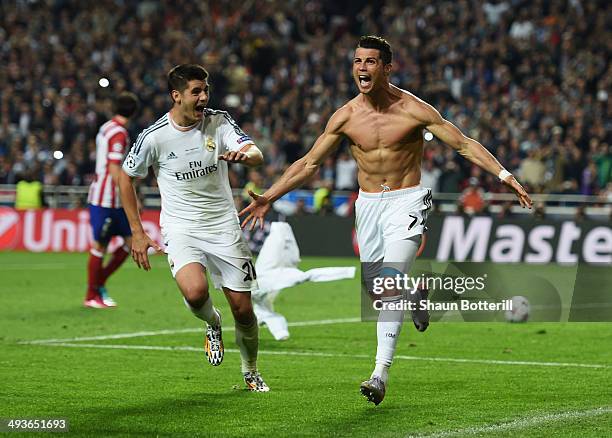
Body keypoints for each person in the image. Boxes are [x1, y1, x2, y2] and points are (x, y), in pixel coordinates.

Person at [240, 36, 533, 405]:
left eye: (371, 62)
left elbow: (463, 144)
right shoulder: (345, 116)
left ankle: (379, 374)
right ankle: (416, 293)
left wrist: (505, 176)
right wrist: (270, 195)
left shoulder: (413, 109)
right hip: (368, 207)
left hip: (406, 202)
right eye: (358, 61)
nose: (362, 68)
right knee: (375, 290)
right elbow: (310, 164)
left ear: (387, 67)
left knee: (389, 283)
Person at [118, 64, 269, 392]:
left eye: (206, 91)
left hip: (223, 226)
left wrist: (246, 156)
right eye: (196, 92)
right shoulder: (154, 137)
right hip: (181, 227)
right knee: (195, 292)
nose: (204, 98)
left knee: (243, 311)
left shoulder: (219, 121)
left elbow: (254, 151)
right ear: (177, 96)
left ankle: (250, 370)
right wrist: (137, 232)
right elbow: (125, 176)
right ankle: (212, 323)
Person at [84, 92, 140, 308]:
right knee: (100, 245)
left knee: (130, 244)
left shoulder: (106, 127)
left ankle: (99, 283)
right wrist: (129, 195)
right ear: (134, 112)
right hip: (106, 199)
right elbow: (114, 167)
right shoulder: (119, 133)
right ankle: (91, 295)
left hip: (112, 199)